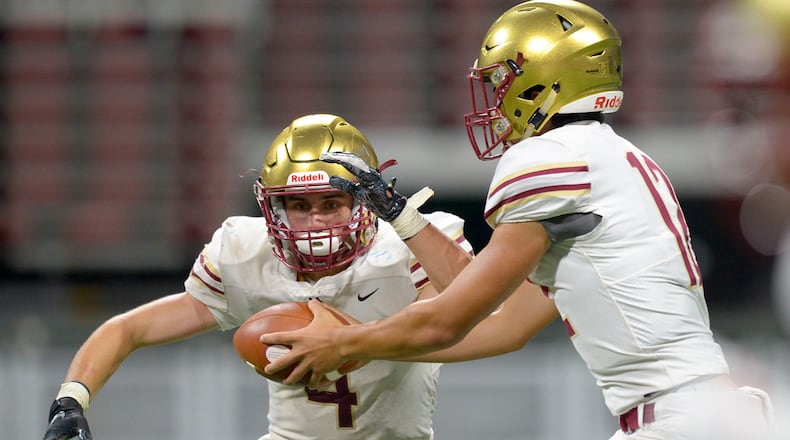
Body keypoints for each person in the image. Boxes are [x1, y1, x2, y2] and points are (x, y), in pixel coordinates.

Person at [261, 1, 777, 439]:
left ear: (542, 79)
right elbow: (502, 321)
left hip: (677, 418)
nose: (496, 100)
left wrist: (345, 342)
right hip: (702, 411)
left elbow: (450, 318)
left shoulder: (551, 158)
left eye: (502, 80)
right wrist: (403, 218)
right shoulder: (607, 157)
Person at [42, 113, 476, 440]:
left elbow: (478, 299)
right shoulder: (246, 253)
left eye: (331, 203)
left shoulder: (407, 247)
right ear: (272, 207)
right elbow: (129, 329)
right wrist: (70, 400)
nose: (316, 220)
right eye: (300, 206)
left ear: (365, 201)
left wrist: (403, 217)